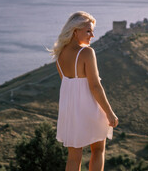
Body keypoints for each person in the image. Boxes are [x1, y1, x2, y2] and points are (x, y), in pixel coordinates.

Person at [50, 11, 118, 171]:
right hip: (91, 108)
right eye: (88, 31)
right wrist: (109, 112)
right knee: (99, 149)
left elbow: (68, 85)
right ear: (75, 31)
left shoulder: (59, 55)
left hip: (70, 110)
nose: (92, 35)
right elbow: (95, 86)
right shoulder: (87, 52)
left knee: (74, 157)